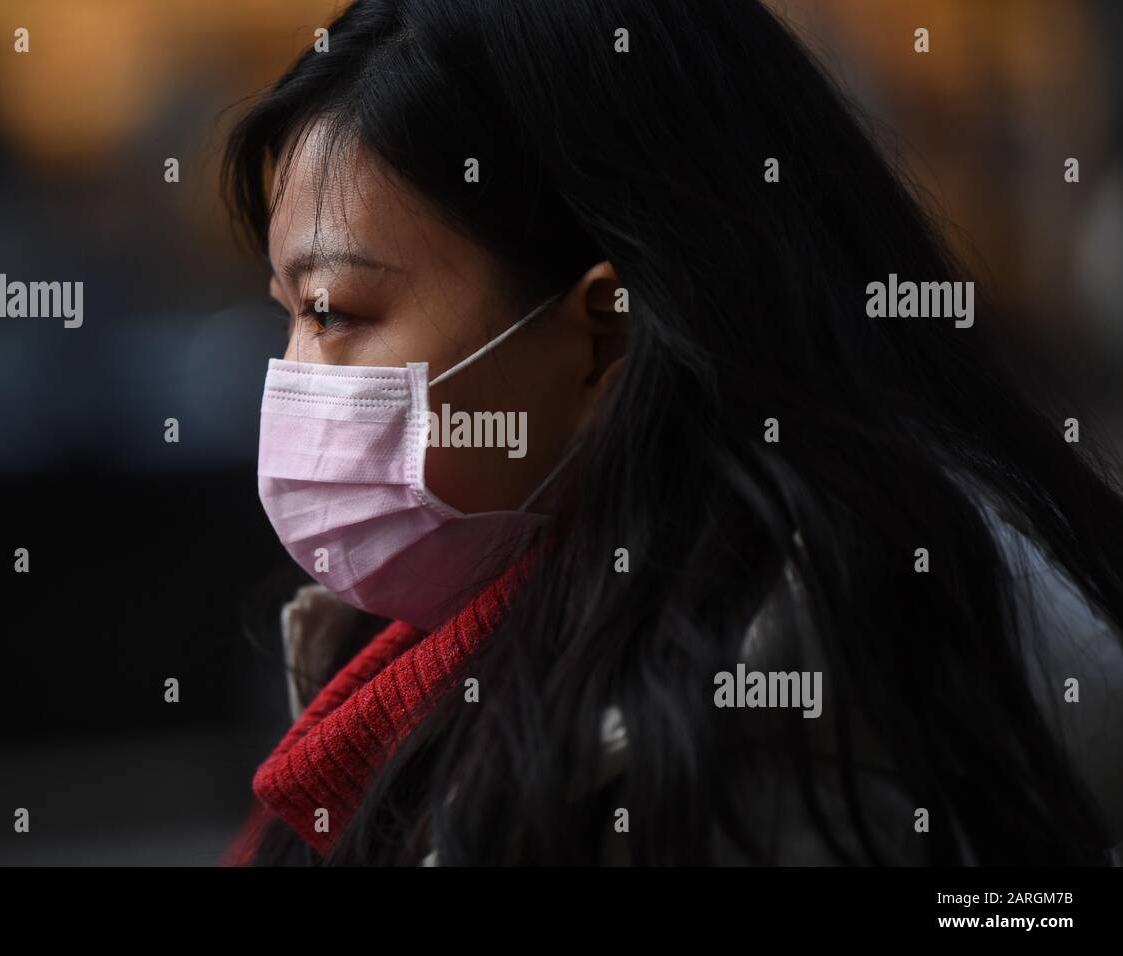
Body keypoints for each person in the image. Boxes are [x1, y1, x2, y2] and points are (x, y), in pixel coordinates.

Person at [219, 0, 1123, 866]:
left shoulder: (772, 735)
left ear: (606, 329)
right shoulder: (456, 646)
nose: (295, 380)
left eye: (332, 310)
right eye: (287, 314)